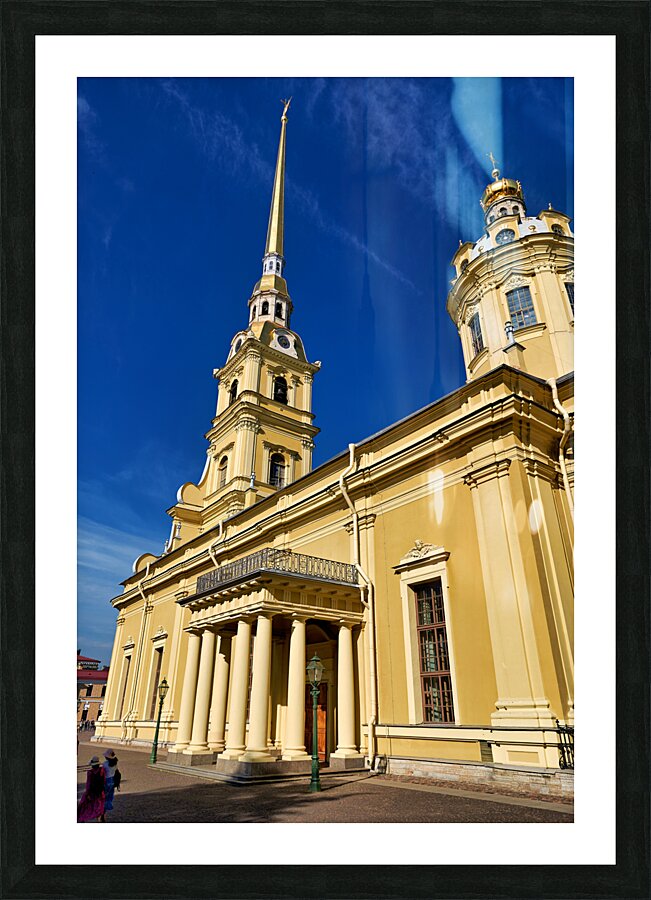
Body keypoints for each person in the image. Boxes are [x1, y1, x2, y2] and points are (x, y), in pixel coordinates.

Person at [77, 756, 105, 823]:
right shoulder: (102, 770)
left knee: (85, 807)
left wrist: (87, 794)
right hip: (100, 793)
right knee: (99, 807)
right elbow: (104, 781)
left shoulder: (90, 773)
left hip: (92, 793)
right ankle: (100, 819)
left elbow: (88, 784)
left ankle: (82, 818)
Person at [100, 749, 119, 822]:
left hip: (106, 781)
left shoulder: (105, 764)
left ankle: (101, 813)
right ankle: (104, 814)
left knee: (103, 797)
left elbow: (102, 773)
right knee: (109, 798)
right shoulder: (115, 764)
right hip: (112, 781)